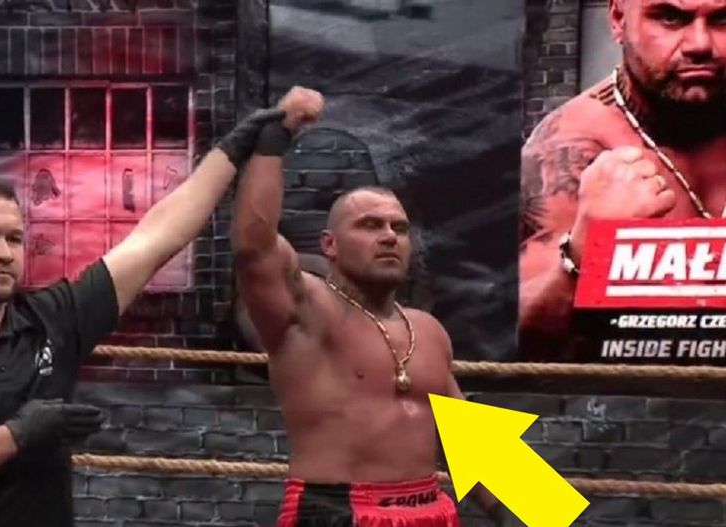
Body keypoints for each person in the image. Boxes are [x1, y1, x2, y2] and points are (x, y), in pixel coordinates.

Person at [0, 103, 289, 527]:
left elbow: (157, 237)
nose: (4, 252)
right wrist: (16, 436)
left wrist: (232, 149)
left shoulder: (52, 319)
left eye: (14, 238)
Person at [232, 87, 518, 526]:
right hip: (340, 510)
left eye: (398, 228)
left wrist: (538, 517)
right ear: (329, 245)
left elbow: (468, 443)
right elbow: (254, 248)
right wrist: (275, 136)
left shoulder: (427, 330)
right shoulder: (308, 311)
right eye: (369, 225)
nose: (388, 236)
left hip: (430, 509)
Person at [519, 0, 726, 358]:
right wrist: (584, 250)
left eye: (723, 20)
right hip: (625, 389)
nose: (700, 44)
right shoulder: (570, 149)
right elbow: (517, 341)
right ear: (618, 19)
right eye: (670, 18)